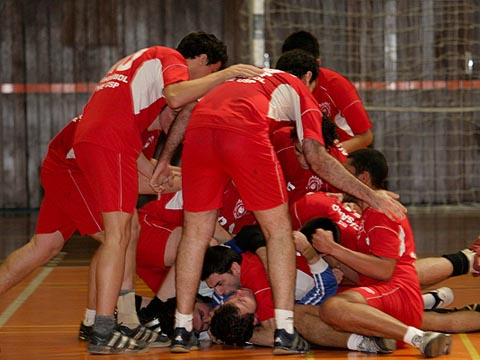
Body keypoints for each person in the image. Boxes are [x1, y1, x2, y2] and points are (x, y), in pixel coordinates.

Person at [149, 49, 405, 355]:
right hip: (243, 133)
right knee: (278, 233)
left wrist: (163, 160)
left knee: (194, 234)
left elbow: (188, 110)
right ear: (308, 80)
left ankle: (181, 329)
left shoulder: (243, 77)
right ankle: (284, 330)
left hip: (200, 134)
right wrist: (371, 195)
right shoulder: (299, 90)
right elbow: (317, 157)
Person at [72, 31, 263, 355]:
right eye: (210, 72)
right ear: (204, 61)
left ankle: (126, 320)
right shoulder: (169, 59)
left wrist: (158, 168)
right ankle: (103, 329)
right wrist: (228, 75)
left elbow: (137, 130)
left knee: (126, 229)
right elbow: (176, 96)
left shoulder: (139, 65)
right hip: (109, 141)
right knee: (117, 237)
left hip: (97, 139)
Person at [0, 113, 172, 350]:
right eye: (177, 112)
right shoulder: (129, 120)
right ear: (161, 105)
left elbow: (141, 176)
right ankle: (120, 320)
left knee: (44, 247)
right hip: (69, 171)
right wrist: (203, 178)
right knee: (120, 233)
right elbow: (146, 181)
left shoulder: (149, 129)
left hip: (67, 168)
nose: (178, 120)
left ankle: (94, 321)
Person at [306, 148, 451, 358]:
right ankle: (371, 342)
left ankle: (419, 337)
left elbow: (384, 270)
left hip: (398, 292)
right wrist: (330, 260)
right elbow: (365, 274)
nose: (339, 180)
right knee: (303, 314)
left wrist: (334, 248)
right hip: (383, 291)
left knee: (333, 307)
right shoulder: (368, 211)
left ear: (363, 178)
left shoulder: (380, 212)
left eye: (346, 173)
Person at [282, 30, 373, 153]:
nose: (302, 84)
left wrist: (331, 155)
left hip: (340, 155)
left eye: (306, 76)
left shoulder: (337, 85)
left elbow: (366, 137)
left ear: (317, 64)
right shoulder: (278, 87)